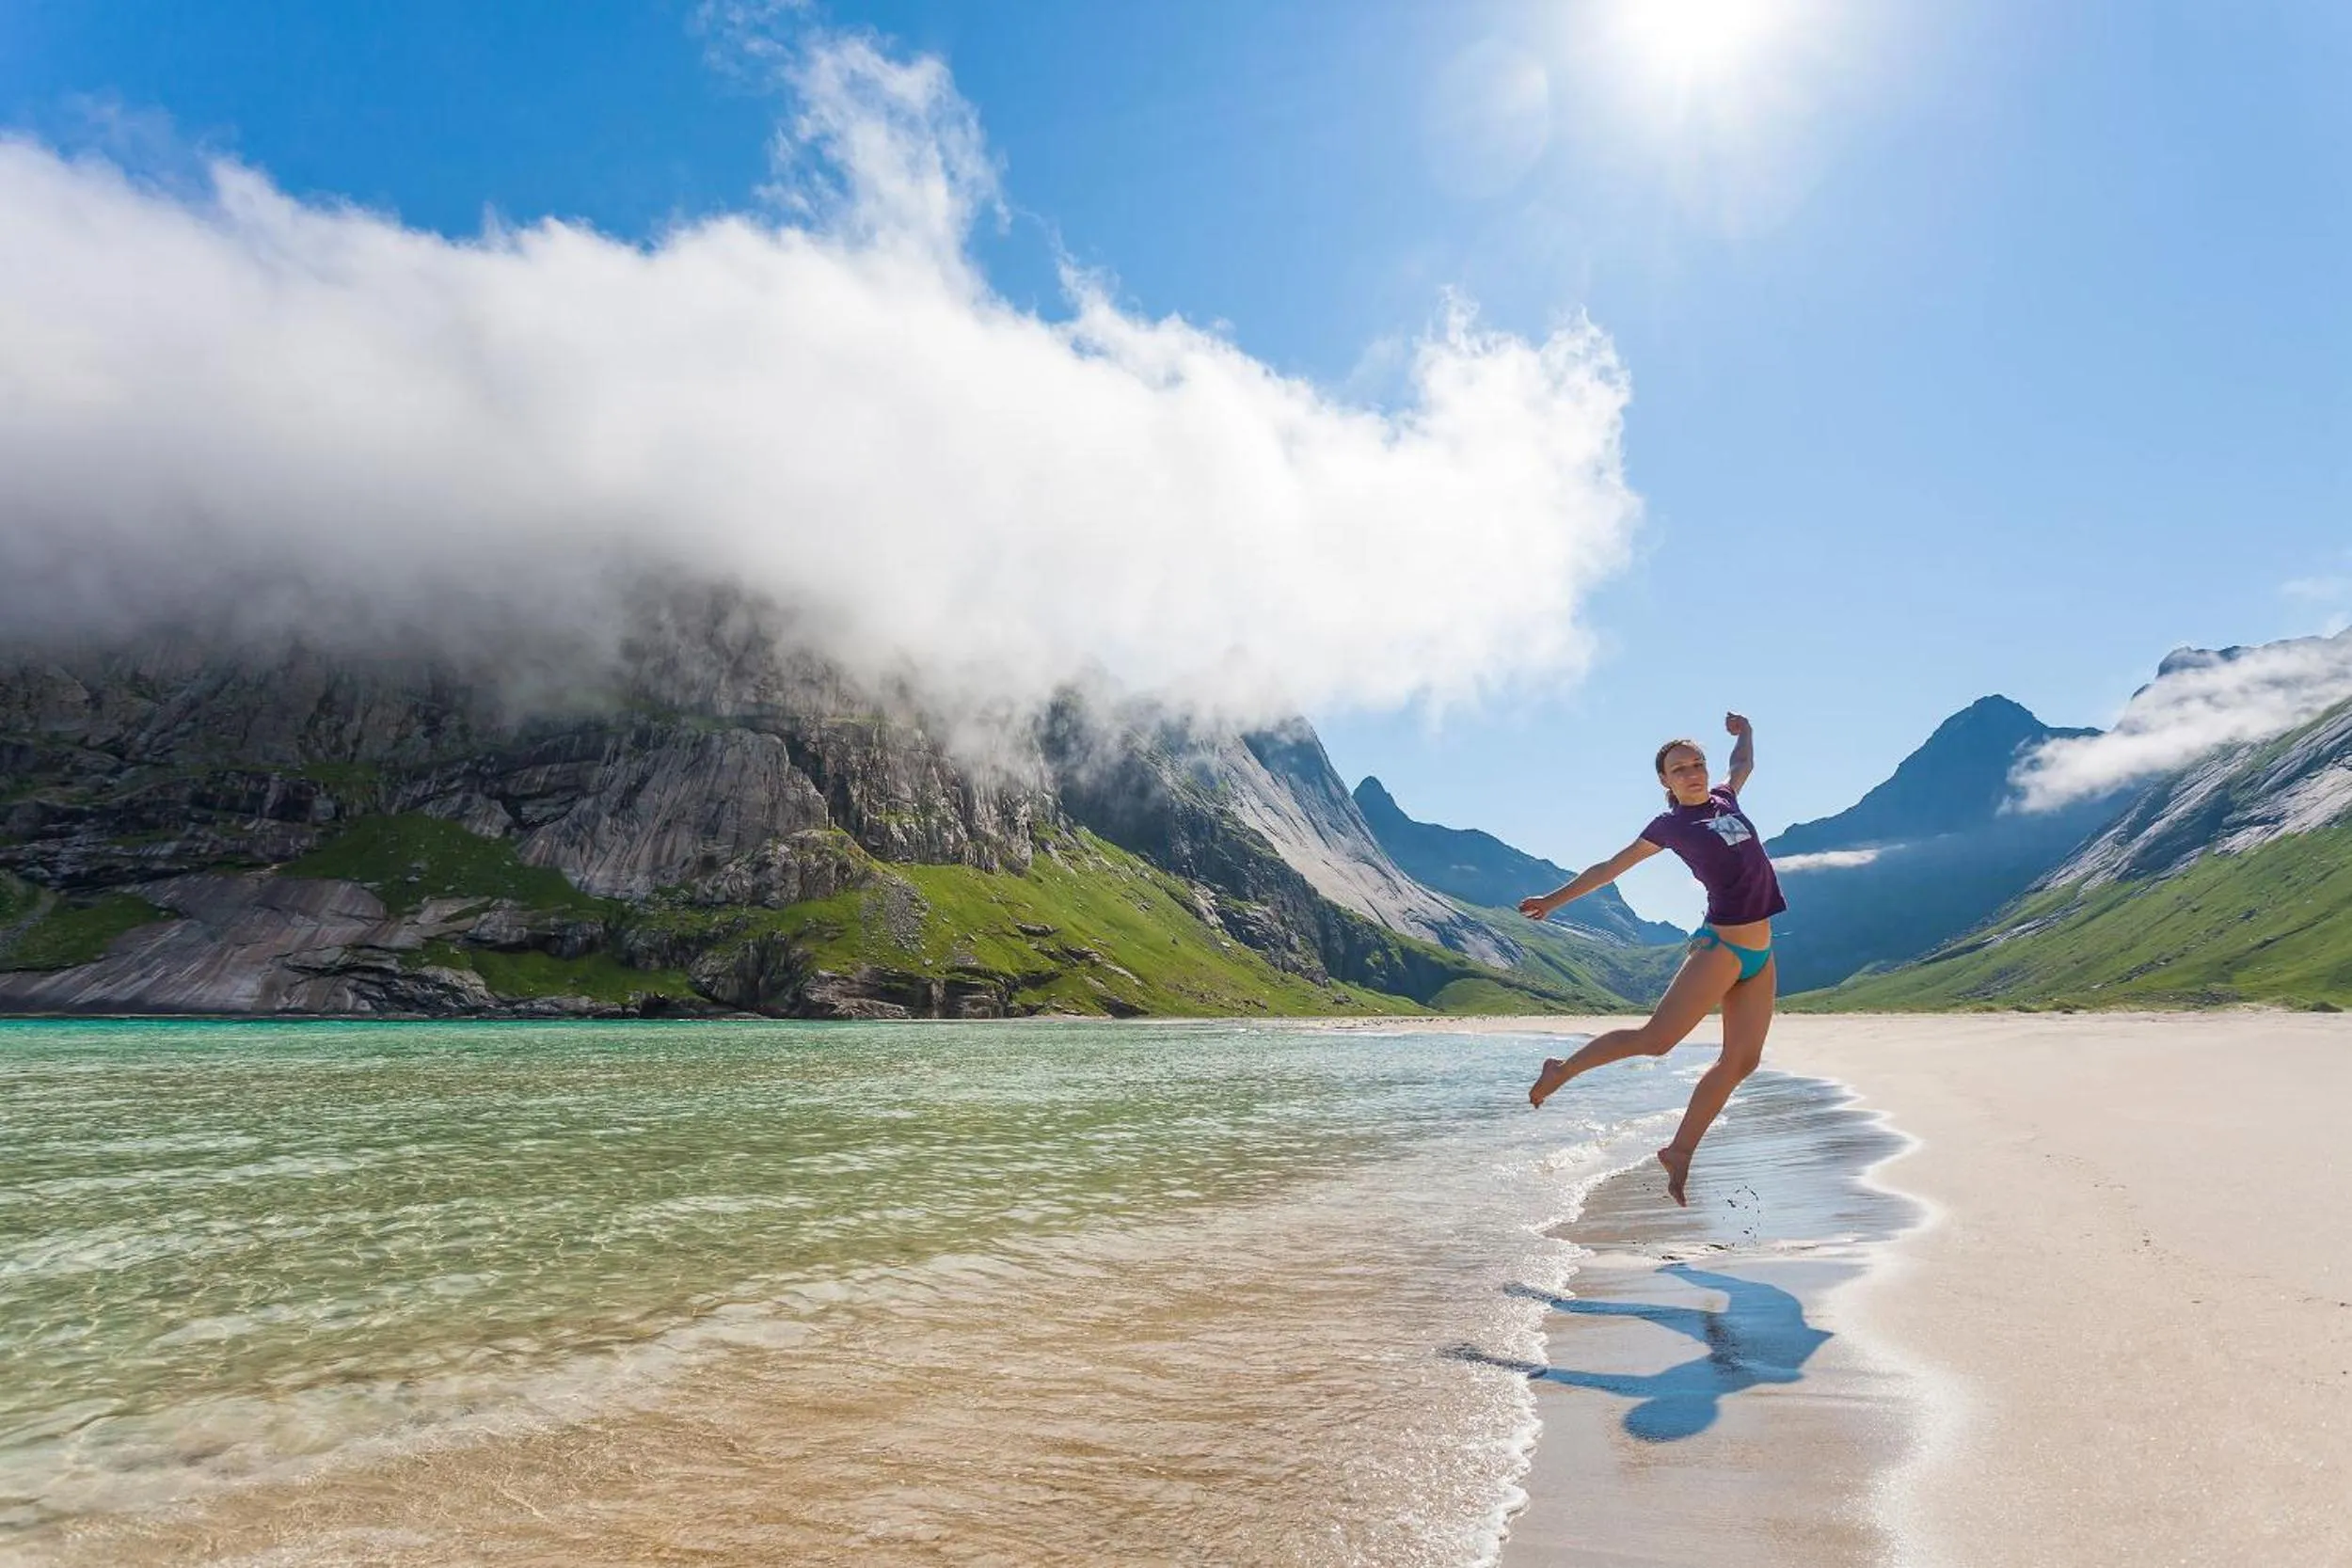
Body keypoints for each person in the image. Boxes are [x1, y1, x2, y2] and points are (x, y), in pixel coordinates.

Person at [1517, 712, 1785, 1206]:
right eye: (1680, 768)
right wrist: (1553, 902)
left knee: (1742, 1061)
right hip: (1721, 947)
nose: (1693, 772)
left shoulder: (1726, 798)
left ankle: (1679, 1152)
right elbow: (1608, 868)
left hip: (1760, 952)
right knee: (1656, 1040)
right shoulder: (1670, 826)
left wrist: (1745, 730)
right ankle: (1562, 1069)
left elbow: (1742, 763)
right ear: (1664, 781)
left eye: (1697, 763)